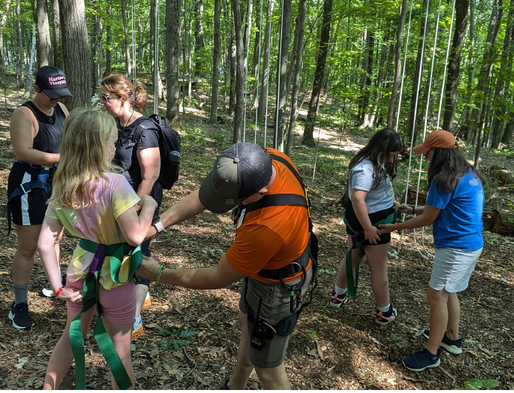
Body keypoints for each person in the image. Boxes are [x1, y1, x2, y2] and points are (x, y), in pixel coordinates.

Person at [137, 142, 316, 391]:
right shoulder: (259, 160)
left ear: (260, 192)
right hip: (260, 269)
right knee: (247, 325)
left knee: (268, 370)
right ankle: (235, 386)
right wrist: (156, 226)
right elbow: (204, 196)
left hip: (278, 288)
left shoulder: (268, 227)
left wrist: (158, 273)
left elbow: (218, 277)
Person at [37, 108, 158, 391]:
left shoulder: (64, 183)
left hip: (80, 271)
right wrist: (149, 205)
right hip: (115, 273)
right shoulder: (115, 184)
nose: (115, 147)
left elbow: (46, 242)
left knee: (71, 334)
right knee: (120, 346)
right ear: (99, 145)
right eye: (112, 141)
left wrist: (58, 288)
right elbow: (135, 235)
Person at [379, 129, 485, 372]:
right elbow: (440, 209)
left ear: (438, 153)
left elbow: (429, 219)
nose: (425, 157)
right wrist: (412, 209)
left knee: (436, 296)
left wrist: (393, 227)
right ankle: (451, 338)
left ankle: (431, 353)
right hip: (470, 244)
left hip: (456, 247)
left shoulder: (443, 179)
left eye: (428, 152)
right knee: (450, 291)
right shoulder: (467, 174)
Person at [7, 65, 71, 329]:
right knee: (29, 245)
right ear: (37, 89)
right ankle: (19, 304)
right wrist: (63, 158)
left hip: (58, 179)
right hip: (30, 182)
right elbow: (23, 151)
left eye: (59, 94)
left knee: (55, 236)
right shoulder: (24, 113)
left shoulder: (61, 110)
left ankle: (52, 283)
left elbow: (67, 140)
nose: (55, 99)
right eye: (50, 93)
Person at [99, 74, 162, 339]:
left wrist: (137, 208)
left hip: (141, 201)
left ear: (123, 99)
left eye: (106, 98)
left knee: (138, 252)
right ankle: (128, 300)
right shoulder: (117, 125)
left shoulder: (145, 130)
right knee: (120, 251)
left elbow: (151, 175)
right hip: (119, 200)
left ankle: (134, 317)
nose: (102, 102)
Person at [330, 128, 401, 326]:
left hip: (367, 220)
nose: (393, 159)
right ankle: (385, 312)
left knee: (352, 256)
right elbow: (357, 198)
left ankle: (338, 294)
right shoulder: (365, 168)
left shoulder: (374, 163)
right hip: (372, 224)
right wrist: (369, 228)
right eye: (391, 155)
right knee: (378, 268)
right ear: (381, 150)